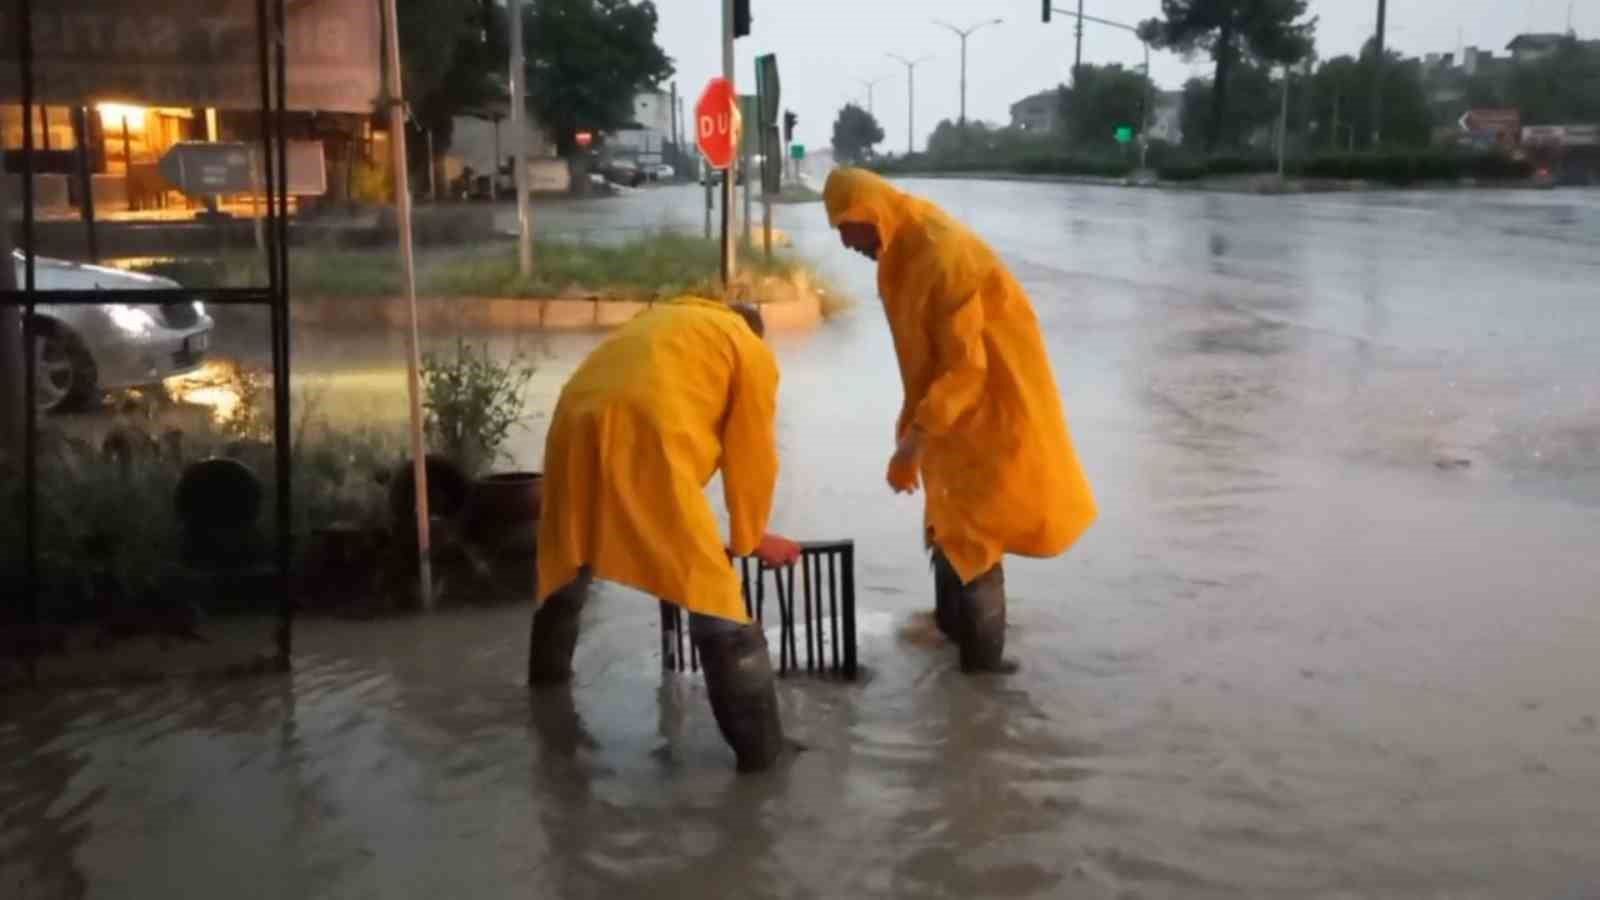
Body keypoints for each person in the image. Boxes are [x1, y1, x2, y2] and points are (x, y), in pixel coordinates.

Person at [822, 167, 1097, 674]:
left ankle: (984, 686)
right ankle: (950, 645)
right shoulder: (899, 251)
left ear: (868, 214)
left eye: (844, 229)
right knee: (948, 524)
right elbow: (925, 356)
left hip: (987, 411)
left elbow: (967, 368)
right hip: (950, 415)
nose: (843, 244)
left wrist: (916, 440)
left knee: (975, 536)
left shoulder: (944, 254)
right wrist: (916, 424)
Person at [532, 296, 801, 772]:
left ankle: (546, 705)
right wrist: (752, 537)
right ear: (754, 330)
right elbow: (752, 455)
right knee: (714, 595)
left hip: (573, 420)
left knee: (568, 563)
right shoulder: (748, 349)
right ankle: (765, 760)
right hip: (645, 429)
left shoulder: (664, 322)